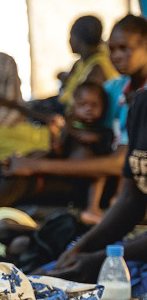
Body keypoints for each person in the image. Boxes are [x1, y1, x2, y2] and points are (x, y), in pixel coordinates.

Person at [3, 15, 147, 188]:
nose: (115, 56)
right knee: (6, 174)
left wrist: (35, 165)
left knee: (23, 181)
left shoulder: (138, 94)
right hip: (103, 173)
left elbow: (119, 163)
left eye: (124, 48)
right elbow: (76, 115)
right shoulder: (116, 88)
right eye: (112, 49)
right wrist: (63, 128)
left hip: (120, 184)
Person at [0, 82, 115, 222]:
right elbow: (59, 153)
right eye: (82, 105)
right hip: (59, 172)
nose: (88, 109)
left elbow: (98, 167)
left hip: (77, 182)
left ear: (104, 108)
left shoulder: (100, 133)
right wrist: (54, 137)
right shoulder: (70, 128)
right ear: (74, 105)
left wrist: (94, 138)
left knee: (17, 182)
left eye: (94, 105)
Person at [47, 88, 147, 284]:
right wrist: (81, 247)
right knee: (44, 276)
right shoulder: (141, 105)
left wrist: (102, 260)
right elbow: (130, 201)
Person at [56, 15, 117, 112]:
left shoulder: (98, 68)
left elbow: (83, 106)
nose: (69, 40)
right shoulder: (81, 62)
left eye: (71, 36)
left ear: (80, 40)